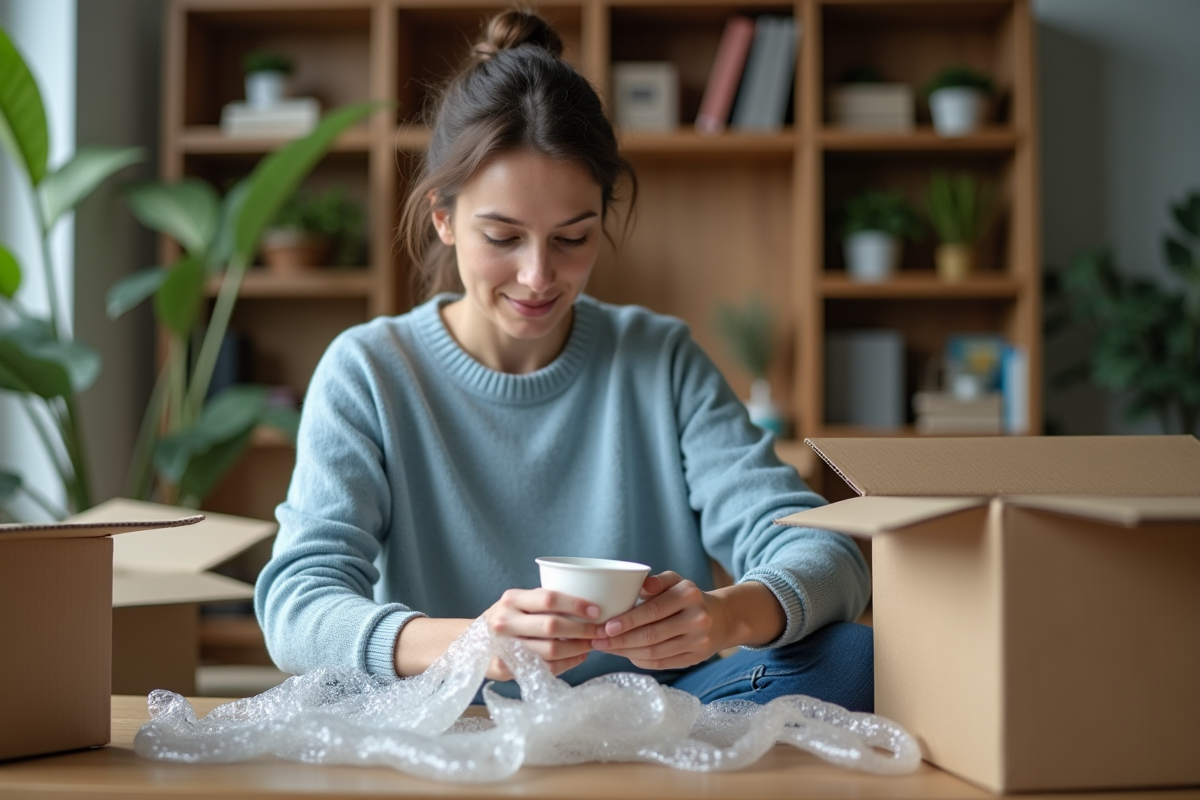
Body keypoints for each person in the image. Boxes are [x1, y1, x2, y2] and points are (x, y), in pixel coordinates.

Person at [255, 8, 873, 711]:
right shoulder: (369, 370)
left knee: (857, 657)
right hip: (456, 714)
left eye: (572, 238)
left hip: (654, 716)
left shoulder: (658, 359)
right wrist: (469, 644)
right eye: (503, 236)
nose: (538, 276)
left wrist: (725, 617)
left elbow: (829, 558)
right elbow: (297, 605)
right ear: (444, 218)